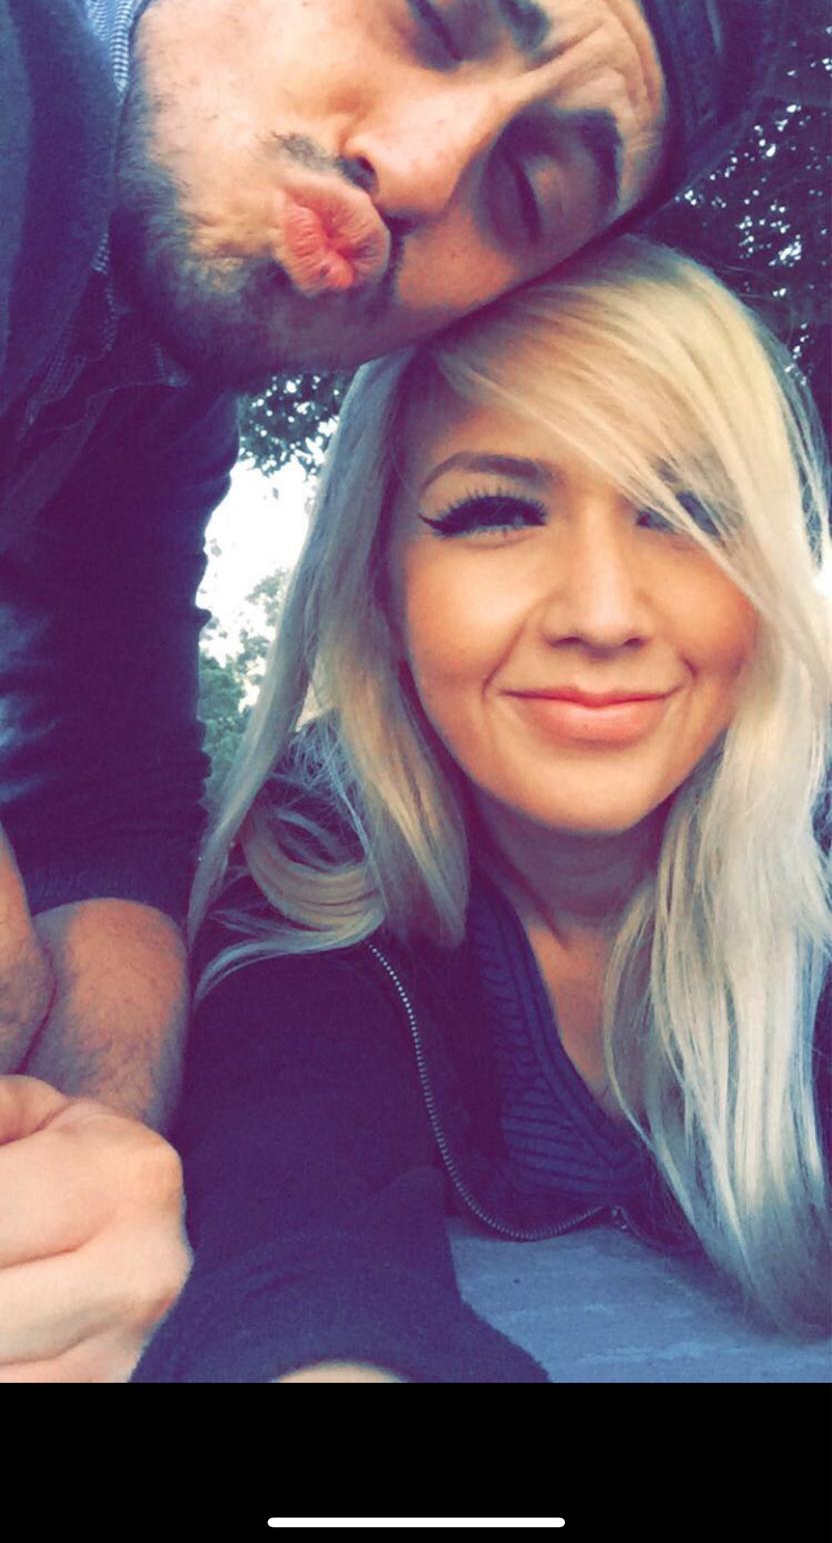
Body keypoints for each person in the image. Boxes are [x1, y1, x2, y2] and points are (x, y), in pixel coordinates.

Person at [0, 0, 786, 1380]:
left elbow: (100, 791)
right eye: (423, 2)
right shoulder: (28, 43)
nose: (422, 170)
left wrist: (81, 1163)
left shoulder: (149, 397)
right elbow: (306, 1193)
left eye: (525, 189)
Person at [132, 234, 832, 1384]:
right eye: (498, 511)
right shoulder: (311, 855)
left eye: (684, 510)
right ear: (380, 582)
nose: (602, 615)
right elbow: (297, 1214)